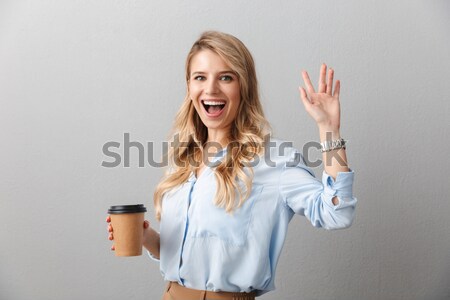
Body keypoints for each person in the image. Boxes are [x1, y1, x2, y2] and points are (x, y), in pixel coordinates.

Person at [106, 31, 357, 300]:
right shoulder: (183, 160)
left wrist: (328, 129)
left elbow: (336, 213)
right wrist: (145, 238)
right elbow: (186, 254)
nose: (211, 89)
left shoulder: (272, 159)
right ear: (189, 87)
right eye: (200, 77)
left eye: (226, 77)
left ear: (244, 86)